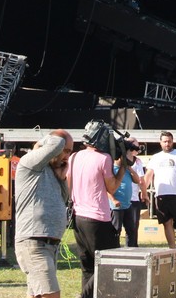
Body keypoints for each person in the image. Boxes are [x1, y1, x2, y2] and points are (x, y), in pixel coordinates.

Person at [68, 122, 129, 298]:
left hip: (78, 216)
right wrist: (123, 166)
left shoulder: (74, 156)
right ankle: (83, 296)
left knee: (87, 266)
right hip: (98, 219)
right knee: (107, 262)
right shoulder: (103, 159)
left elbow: (69, 183)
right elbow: (112, 187)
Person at [14, 130, 72, 298]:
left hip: (49, 244)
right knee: (51, 294)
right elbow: (56, 143)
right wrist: (42, 143)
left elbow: (64, 199)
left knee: (37, 295)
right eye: (66, 151)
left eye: (70, 151)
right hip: (34, 243)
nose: (67, 156)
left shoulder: (52, 171)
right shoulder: (30, 163)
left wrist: (62, 178)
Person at [144, 131, 176, 250]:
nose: (167, 144)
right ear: (160, 143)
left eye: (169, 141)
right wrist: (144, 191)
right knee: (167, 222)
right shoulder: (156, 157)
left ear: (173, 142)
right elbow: (149, 175)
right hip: (162, 194)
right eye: (165, 141)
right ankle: (172, 249)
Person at [121, 140, 148, 248]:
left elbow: (140, 181)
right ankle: (130, 248)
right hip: (127, 199)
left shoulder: (137, 161)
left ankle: (131, 248)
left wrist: (144, 194)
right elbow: (141, 181)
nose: (137, 150)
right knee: (131, 227)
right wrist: (145, 194)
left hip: (131, 198)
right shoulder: (135, 162)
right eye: (135, 148)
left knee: (131, 228)